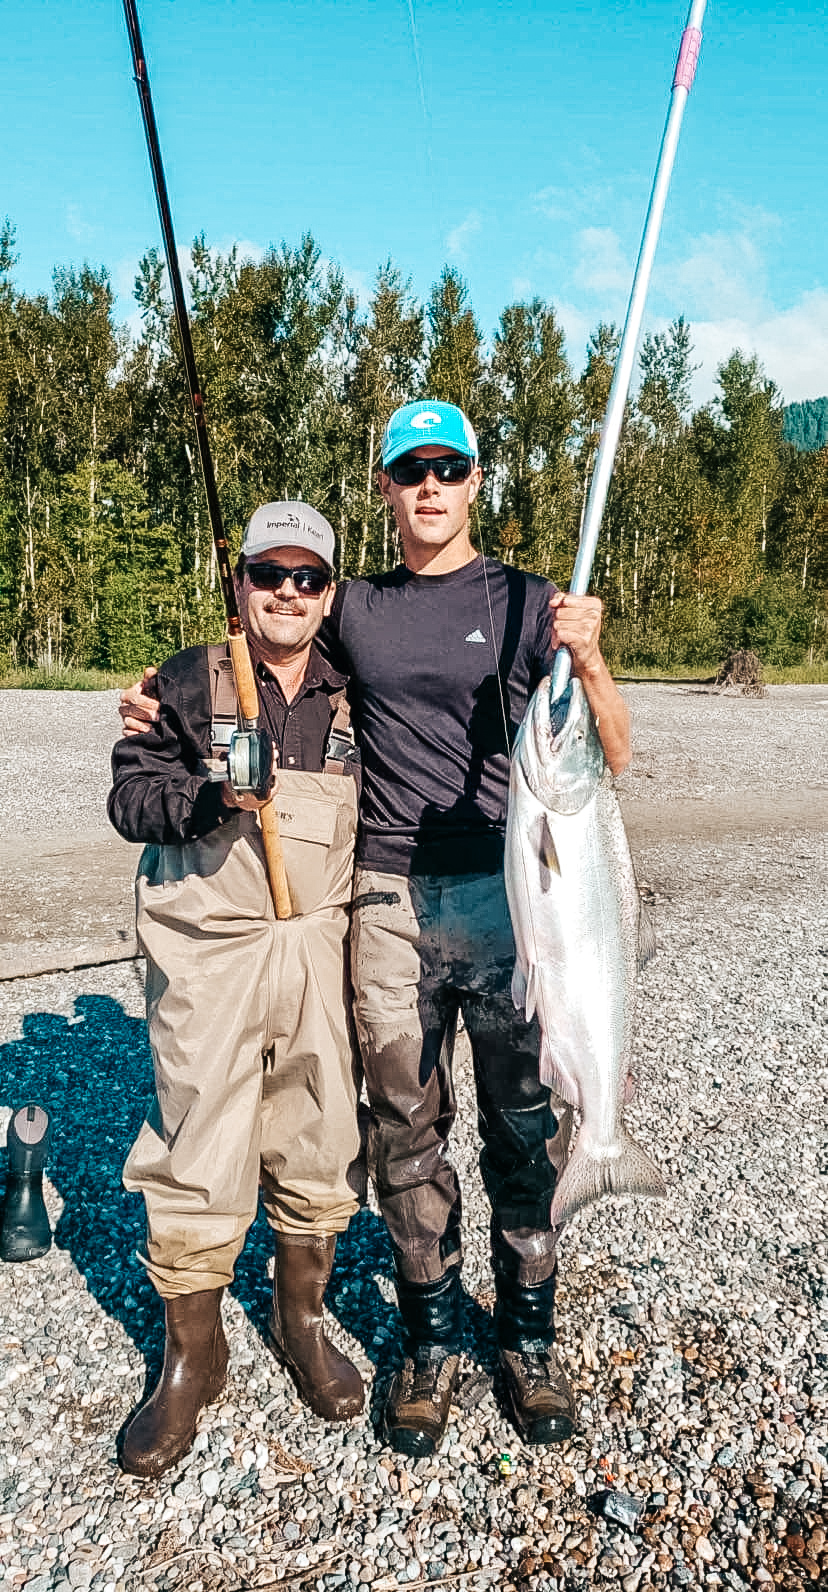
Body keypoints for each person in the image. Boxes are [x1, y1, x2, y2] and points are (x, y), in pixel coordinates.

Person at [121, 402, 631, 1460]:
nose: (431, 485)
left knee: (522, 1125)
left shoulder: (534, 601)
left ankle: (529, 1334)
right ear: (388, 488)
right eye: (411, 469)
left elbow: (611, 757)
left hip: (506, 897)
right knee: (401, 1126)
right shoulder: (355, 606)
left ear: (478, 479)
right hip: (386, 902)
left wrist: (590, 661)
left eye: (449, 466)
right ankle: (429, 1335)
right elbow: (266, 646)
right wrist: (159, 702)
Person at [109, 502, 364, 1479]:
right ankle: (192, 1354)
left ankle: (300, 1319)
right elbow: (133, 800)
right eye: (269, 574)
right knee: (197, 1135)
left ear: (328, 592)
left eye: (307, 577)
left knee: (319, 1129)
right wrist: (213, 791)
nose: (286, 593)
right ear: (242, 582)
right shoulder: (184, 680)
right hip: (207, 947)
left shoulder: (356, 696)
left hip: (317, 942)